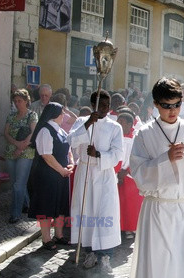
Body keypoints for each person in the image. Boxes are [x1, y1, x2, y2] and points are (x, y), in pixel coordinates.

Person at [129, 77, 184, 278]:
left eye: (177, 105)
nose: (173, 111)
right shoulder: (144, 134)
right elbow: (139, 175)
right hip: (159, 210)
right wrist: (165, 159)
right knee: (161, 267)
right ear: (155, 105)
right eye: (167, 106)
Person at [68, 90, 123, 273]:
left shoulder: (115, 127)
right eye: (101, 105)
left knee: (105, 213)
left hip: (104, 175)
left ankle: (106, 255)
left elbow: (117, 154)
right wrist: (88, 123)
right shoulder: (81, 122)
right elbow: (72, 141)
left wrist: (99, 154)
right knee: (86, 212)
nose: (105, 109)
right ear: (93, 105)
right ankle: (89, 251)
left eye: (107, 106)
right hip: (85, 173)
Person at [28, 102, 74, 250]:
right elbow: (46, 155)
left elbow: (68, 150)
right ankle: (46, 239)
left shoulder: (60, 130)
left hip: (61, 173)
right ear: (55, 115)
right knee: (46, 207)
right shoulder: (45, 131)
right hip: (47, 174)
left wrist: (71, 163)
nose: (65, 115)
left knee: (60, 206)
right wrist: (61, 170)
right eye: (62, 113)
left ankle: (59, 236)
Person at [4, 89, 38, 223]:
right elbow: (6, 133)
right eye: (15, 101)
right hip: (10, 152)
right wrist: (16, 144)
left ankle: (15, 213)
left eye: (19, 101)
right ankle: (27, 204)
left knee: (19, 184)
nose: (17, 103)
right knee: (15, 183)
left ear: (26, 101)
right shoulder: (11, 116)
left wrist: (21, 147)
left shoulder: (32, 115)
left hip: (26, 153)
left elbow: (33, 133)